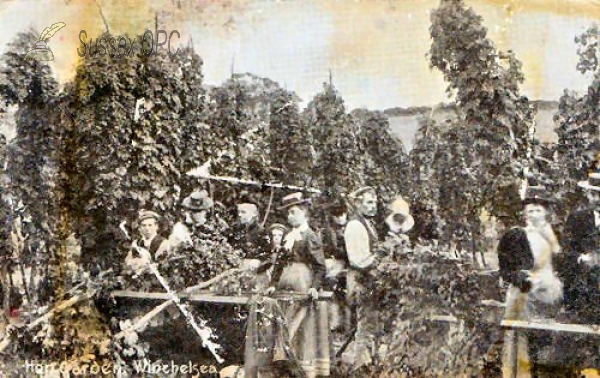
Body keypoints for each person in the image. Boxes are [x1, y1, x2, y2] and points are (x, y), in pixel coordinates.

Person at [497, 185, 563, 378]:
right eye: (530, 210)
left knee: (544, 343)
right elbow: (506, 269)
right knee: (519, 339)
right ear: (524, 212)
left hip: (548, 297)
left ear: (546, 212)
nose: (534, 214)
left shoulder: (554, 235)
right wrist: (525, 279)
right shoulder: (516, 235)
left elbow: (560, 262)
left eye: (538, 210)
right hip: (524, 295)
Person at [265, 192, 330, 378]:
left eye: (293, 212)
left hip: (303, 284)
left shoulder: (310, 236)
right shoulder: (288, 236)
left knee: (301, 325)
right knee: (283, 322)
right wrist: (272, 283)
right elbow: (279, 262)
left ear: (303, 213)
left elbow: (320, 266)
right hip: (285, 285)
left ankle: (301, 367)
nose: (289, 217)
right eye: (288, 214)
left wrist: (314, 287)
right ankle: (283, 363)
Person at [343, 186, 380, 368]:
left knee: (369, 325)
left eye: (375, 202)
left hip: (368, 281)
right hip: (360, 281)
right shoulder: (355, 225)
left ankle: (368, 362)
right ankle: (360, 366)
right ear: (358, 204)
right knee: (364, 326)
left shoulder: (367, 224)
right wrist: (381, 257)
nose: (373, 206)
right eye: (369, 202)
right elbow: (358, 261)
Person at [124, 210, 170, 276]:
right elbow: (127, 261)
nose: (147, 228)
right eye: (144, 225)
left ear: (156, 226)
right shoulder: (136, 243)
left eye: (150, 225)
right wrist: (138, 262)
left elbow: (159, 265)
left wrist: (139, 263)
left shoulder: (163, 243)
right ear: (139, 228)